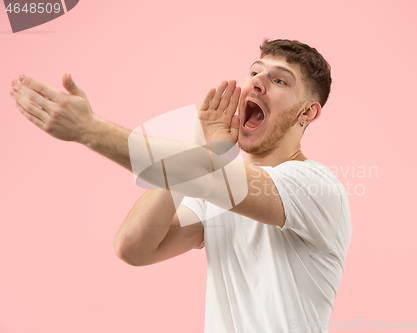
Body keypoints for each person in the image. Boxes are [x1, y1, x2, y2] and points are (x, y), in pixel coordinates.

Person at [9, 39, 352, 333]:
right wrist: (202, 150)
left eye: (279, 80)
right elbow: (133, 246)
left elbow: (214, 179)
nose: (257, 83)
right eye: (255, 72)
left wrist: (91, 131)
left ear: (307, 112)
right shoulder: (216, 192)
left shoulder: (317, 187)